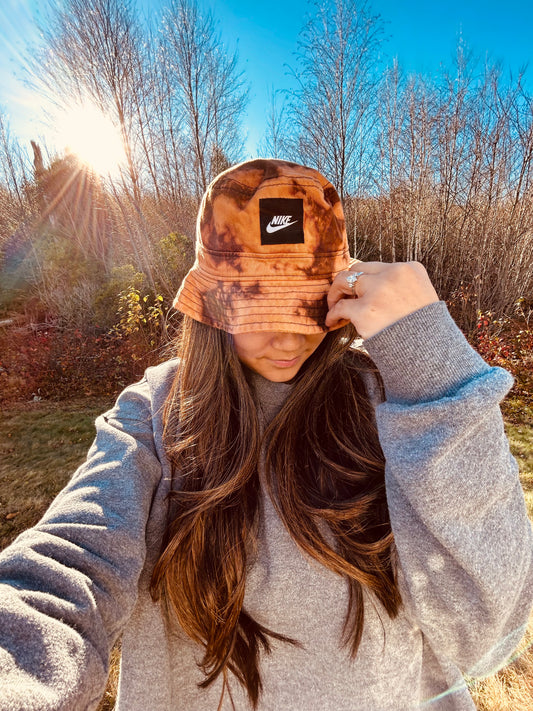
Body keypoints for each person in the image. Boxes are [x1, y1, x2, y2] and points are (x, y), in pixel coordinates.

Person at [0, 158, 532, 711]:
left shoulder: (399, 403)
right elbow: (68, 563)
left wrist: (432, 362)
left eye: (306, 304)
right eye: (257, 304)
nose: (287, 338)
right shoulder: (156, 414)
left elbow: (489, 630)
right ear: (210, 304)